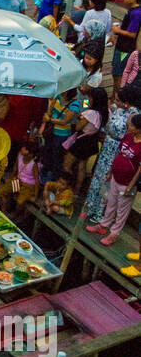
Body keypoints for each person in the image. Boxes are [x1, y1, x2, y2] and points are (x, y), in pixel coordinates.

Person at [86, 112, 141, 245]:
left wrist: (130, 185)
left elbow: (140, 168)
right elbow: (119, 154)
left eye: (132, 125)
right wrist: (111, 171)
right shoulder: (128, 137)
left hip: (128, 183)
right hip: (116, 177)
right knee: (110, 203)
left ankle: (114, 234)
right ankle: (103, 225)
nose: (130, 127)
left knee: (122, 211)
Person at [62, 86, 108, 197]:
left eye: (90, 97)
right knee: (82, 167)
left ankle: (64, 187)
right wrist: (86, 98)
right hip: (91, 141)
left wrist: (77, 120)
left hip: (81, 142)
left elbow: (78, 127)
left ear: (95, 99)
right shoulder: (104, 112)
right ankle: (76, 191)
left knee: (67, 165)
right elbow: (86, 106)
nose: (89, 99)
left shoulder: (90, 114)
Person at [0, 140, 41, 219]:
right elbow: (15, 168)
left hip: (28, 185)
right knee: (3, 191)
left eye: (25, 149)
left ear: (30, 154)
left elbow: (36, 180)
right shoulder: (20, 155)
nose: (22, 149)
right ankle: (4, 212)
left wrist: (35, 196)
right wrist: (11, 178)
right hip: (18, 181)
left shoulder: (34, 164)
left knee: (20, 202)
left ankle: (15, 215)